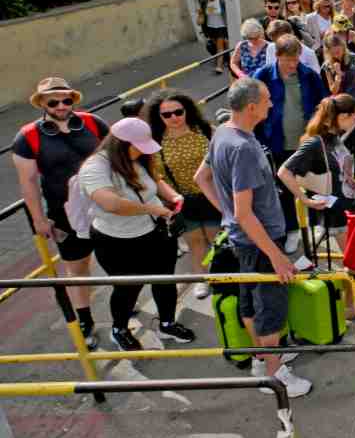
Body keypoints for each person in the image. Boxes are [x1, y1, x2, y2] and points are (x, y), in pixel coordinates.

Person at [195, 78, 311, 397]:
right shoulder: (243, 148)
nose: (271, 104)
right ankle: (276, 376)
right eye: (267, 100)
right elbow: (245, 213)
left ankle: (262, 360)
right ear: (251, 107)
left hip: (242, 239)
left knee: (249, 302)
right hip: (260, 242)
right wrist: (276, 255)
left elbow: (201, 177)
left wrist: (227, 214)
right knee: (270, 311)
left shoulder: (222, 134)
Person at [78, 117, 196, 350]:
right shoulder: (95, 167)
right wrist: (153, 208)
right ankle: (119, 328)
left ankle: (167, 323)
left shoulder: (139, 159)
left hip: (156, 232)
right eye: (138, 148)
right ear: (120, 144)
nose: (142, 153)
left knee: (165, 280)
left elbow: (156, 179)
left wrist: (173, 196)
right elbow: (111, 203)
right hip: (117, 241)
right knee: (127, 287)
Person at [12, 78, 108, 349]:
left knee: (116, 258)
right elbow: (28, 183)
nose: (61, 106)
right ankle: (86, 321)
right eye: (53, 102)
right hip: (65, 212)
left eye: (66, 100)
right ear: (42, 104)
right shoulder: (27, 136)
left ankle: (124, 307)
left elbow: (117, 155)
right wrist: (39, 219)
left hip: (105, 205)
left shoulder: (92, 122)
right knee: (77, 268)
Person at [254, 35, 330, 252]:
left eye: (295, 60)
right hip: (277, 143)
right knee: (285, 189)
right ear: (276, 56)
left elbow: (323, 107)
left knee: (315, 182)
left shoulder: (310, 76)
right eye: (288, 60)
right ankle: (292, 229)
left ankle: (318, 223)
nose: (292, 65)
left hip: (307, 142)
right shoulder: (263, 76)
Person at [146, 91, 222, 299]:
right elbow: (156, 174)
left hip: (212, 195)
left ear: (187, 110)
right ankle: (203, 280)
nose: (174, 118)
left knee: (216, 238)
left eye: (178, 112)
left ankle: (223, 276)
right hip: (181, 200)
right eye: (167, 115)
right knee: (195, 241)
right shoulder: (156, 142)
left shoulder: (206, 131)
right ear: (159, 117)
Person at [278, 95, 355, 251]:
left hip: (346, 207)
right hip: (335, 214)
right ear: (343, 116)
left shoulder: (334, 137)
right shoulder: (315, 142)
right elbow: (283, 172)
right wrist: (305, 200)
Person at [322, 31, 355, 100]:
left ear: (343, 46)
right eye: (333, 53)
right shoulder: (327, 66)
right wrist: (338, 76)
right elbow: (333, 91)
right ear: (328, 52)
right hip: (343, 102)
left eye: (338, 51)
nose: (337, 55)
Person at [196, 0, 228, 75]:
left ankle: (219, 66)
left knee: (220, 47)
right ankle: (227, 58)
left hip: (221, 27)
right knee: (219, 45)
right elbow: (202, 13)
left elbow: (227, 14)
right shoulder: (205, 2)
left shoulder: (221, 1)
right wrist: (200, 15)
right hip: (210, 27)